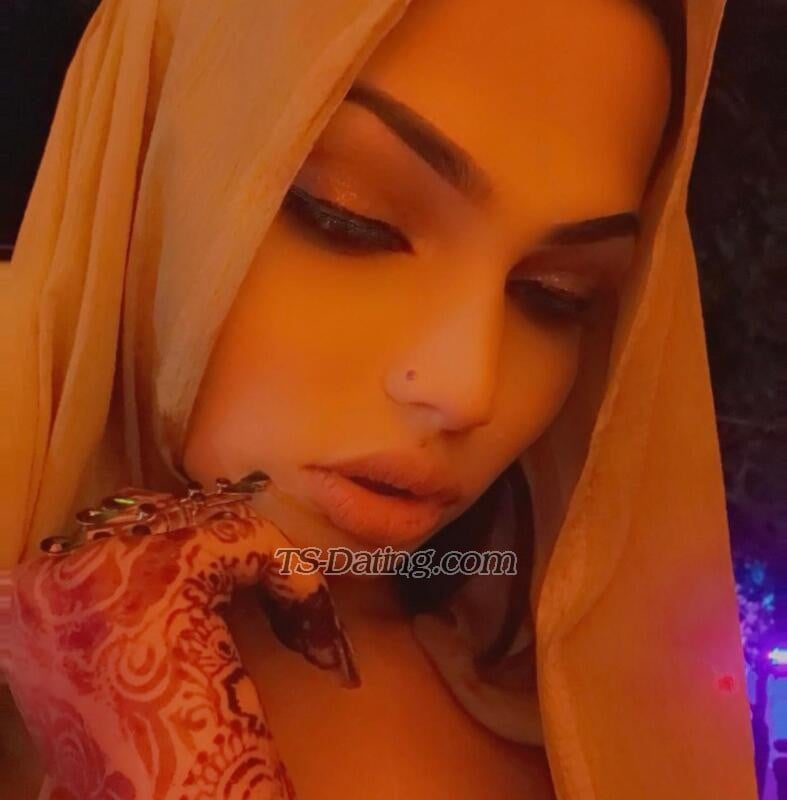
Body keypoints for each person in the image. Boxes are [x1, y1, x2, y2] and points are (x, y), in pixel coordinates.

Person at [0, 0, 757, 797]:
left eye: (554, 295)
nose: (468, 389)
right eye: (348, 219)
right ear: (151, 134)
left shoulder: (570, 723)